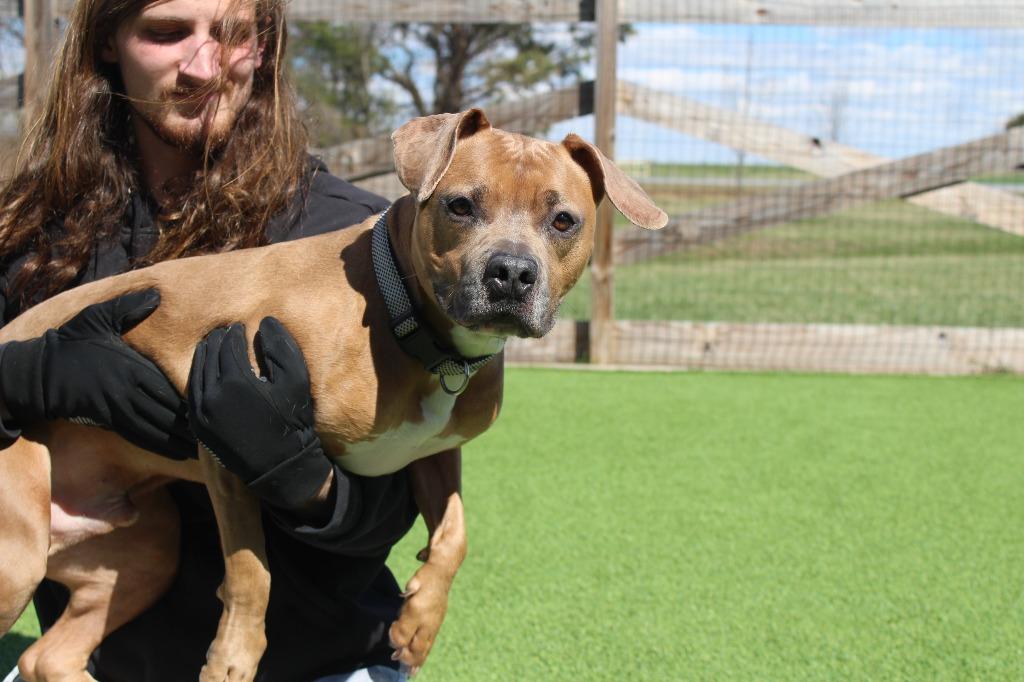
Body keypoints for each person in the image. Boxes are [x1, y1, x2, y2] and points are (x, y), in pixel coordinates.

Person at [0, 0, 423, 680]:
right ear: (109, 42)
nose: (204, 67)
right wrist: (19, 377)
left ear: (263, 47)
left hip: (315, 663)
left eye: (231, 34)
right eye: (166, 33)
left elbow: (395, 507)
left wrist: (305, 480)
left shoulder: (352, 240)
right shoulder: (31, 234)